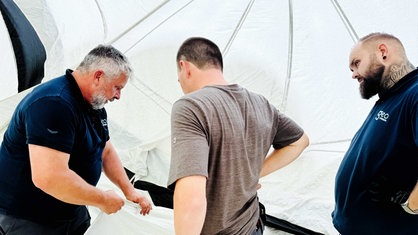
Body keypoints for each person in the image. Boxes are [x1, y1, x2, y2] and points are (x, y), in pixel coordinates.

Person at [0, 44, 152, 235]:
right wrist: (102, 200)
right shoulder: (54, 103)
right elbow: (49, 177)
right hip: (29, 218)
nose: (118, 96)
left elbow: (105, 149)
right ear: (98, 76)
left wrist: (129, 190)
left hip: (71, 210)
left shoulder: (93, 106)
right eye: (117, 88)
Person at [167, 37, 309, 235]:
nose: (179, 82)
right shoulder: (262, 104)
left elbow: (192, 197)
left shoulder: (191, 106)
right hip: (253, 226)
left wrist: (252, 174)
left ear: (185, 67)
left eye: (178, 77)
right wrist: (254, 173)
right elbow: (300, 142)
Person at [332, 32, 418, 234]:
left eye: (357, 63)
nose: (353, 74)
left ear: (383, 52)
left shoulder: (414, 93)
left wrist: (411, 207)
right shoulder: (392, 96)